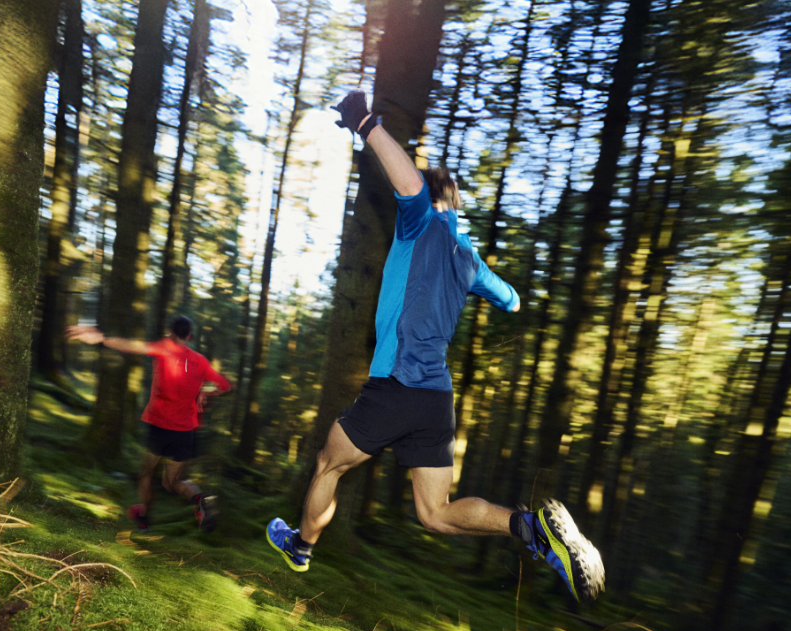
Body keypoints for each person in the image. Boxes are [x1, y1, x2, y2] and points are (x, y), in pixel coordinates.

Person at [265, 92, 605, 602]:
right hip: (434, 397)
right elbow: (510, 300)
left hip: (395, 383)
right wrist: (491, 287)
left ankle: (301, 546)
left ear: (432, 196)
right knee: (435, 514)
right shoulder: (469, 260)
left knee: (328, 464)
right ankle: (533, 529)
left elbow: (407, 183)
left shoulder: (418, 222)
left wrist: (366, 124)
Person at [67, 316, 232, 533]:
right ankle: (201, 498)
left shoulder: (164, 348)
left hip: (160, 426)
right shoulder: (200, 361)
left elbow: (134, 346)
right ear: (189, 336)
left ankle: (143, 518)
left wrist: (101, 339)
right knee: (172, 482)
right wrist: (207, 392)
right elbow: (225, 385)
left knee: (146, 473)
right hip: (185, 431)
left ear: (171, 333)